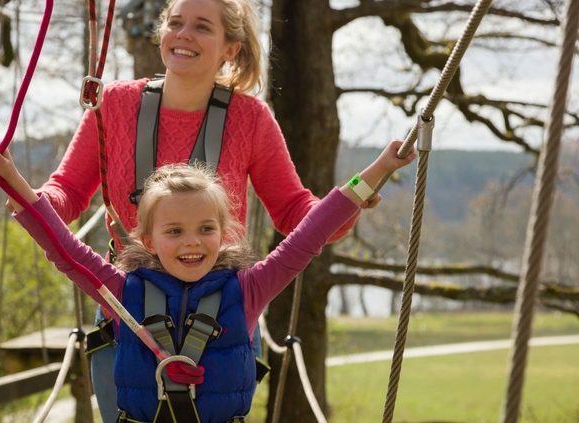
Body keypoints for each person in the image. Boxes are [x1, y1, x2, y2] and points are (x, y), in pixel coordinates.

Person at [34, 0, 380, 419]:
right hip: (128, 304)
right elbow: (68, 190)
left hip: (222, 313)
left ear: (230, 48)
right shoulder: (114, 104)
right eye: (175, 23)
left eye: (201, 27)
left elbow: (293, 211)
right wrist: (33, 202)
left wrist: (346, 207)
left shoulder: (250, 118)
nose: (183, 35)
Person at [0, 138, 415, 423]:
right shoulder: (121, 291)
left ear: (224, 233)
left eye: (206, 228)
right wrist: (16, 182)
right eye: (174, 231)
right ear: (147, 239)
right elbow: (65, 251)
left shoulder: (246, 290)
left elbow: (309, 236)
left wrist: (375, 171)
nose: (193, 242)